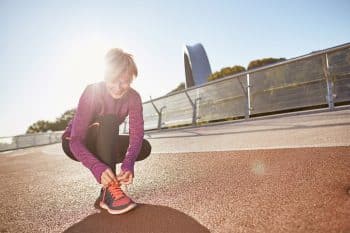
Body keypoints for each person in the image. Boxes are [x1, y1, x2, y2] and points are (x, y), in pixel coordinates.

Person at [61, 48, 152, 215]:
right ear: (105, 76)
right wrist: (97, 167)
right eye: (113, 80)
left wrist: (128, 164)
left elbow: (136, 136)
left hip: (105, 139)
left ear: (131, 79)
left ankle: (108, 189)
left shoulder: (133, 97)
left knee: (144, 146)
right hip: (75, 143)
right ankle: (109, 191)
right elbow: (75, 140)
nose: (118, 88)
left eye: (124, 81)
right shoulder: (92, 91)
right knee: (109, 121)